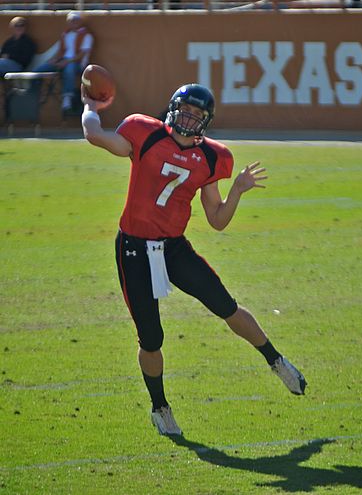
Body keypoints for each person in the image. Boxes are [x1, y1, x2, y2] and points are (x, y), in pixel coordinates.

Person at [81, 83, 307, 436]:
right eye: (184, 109)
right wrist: (90, 107)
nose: (188, 117)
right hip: (135, 249)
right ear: (172, 108)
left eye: (196, 114)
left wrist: (237, 190)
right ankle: (160, 407)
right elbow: (94, 135)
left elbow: (217, 219)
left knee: (225, 304)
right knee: (151, 338)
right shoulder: (145, 132)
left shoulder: (213, 157)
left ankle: (276, 361)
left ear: (206, 121)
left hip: (173, 248)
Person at [32, 11, 93, 112]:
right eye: (71, 20)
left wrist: (67, 61)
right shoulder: (65, 34)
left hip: (78, 63)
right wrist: (54, 60)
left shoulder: (87, 35)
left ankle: (67, 97)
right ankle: (33, 94)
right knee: (40, 69)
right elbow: (61, 51)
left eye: (75, 20)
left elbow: (81, 54)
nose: (73, 22)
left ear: (80, 21)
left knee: (70, 68)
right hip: (63, 61)